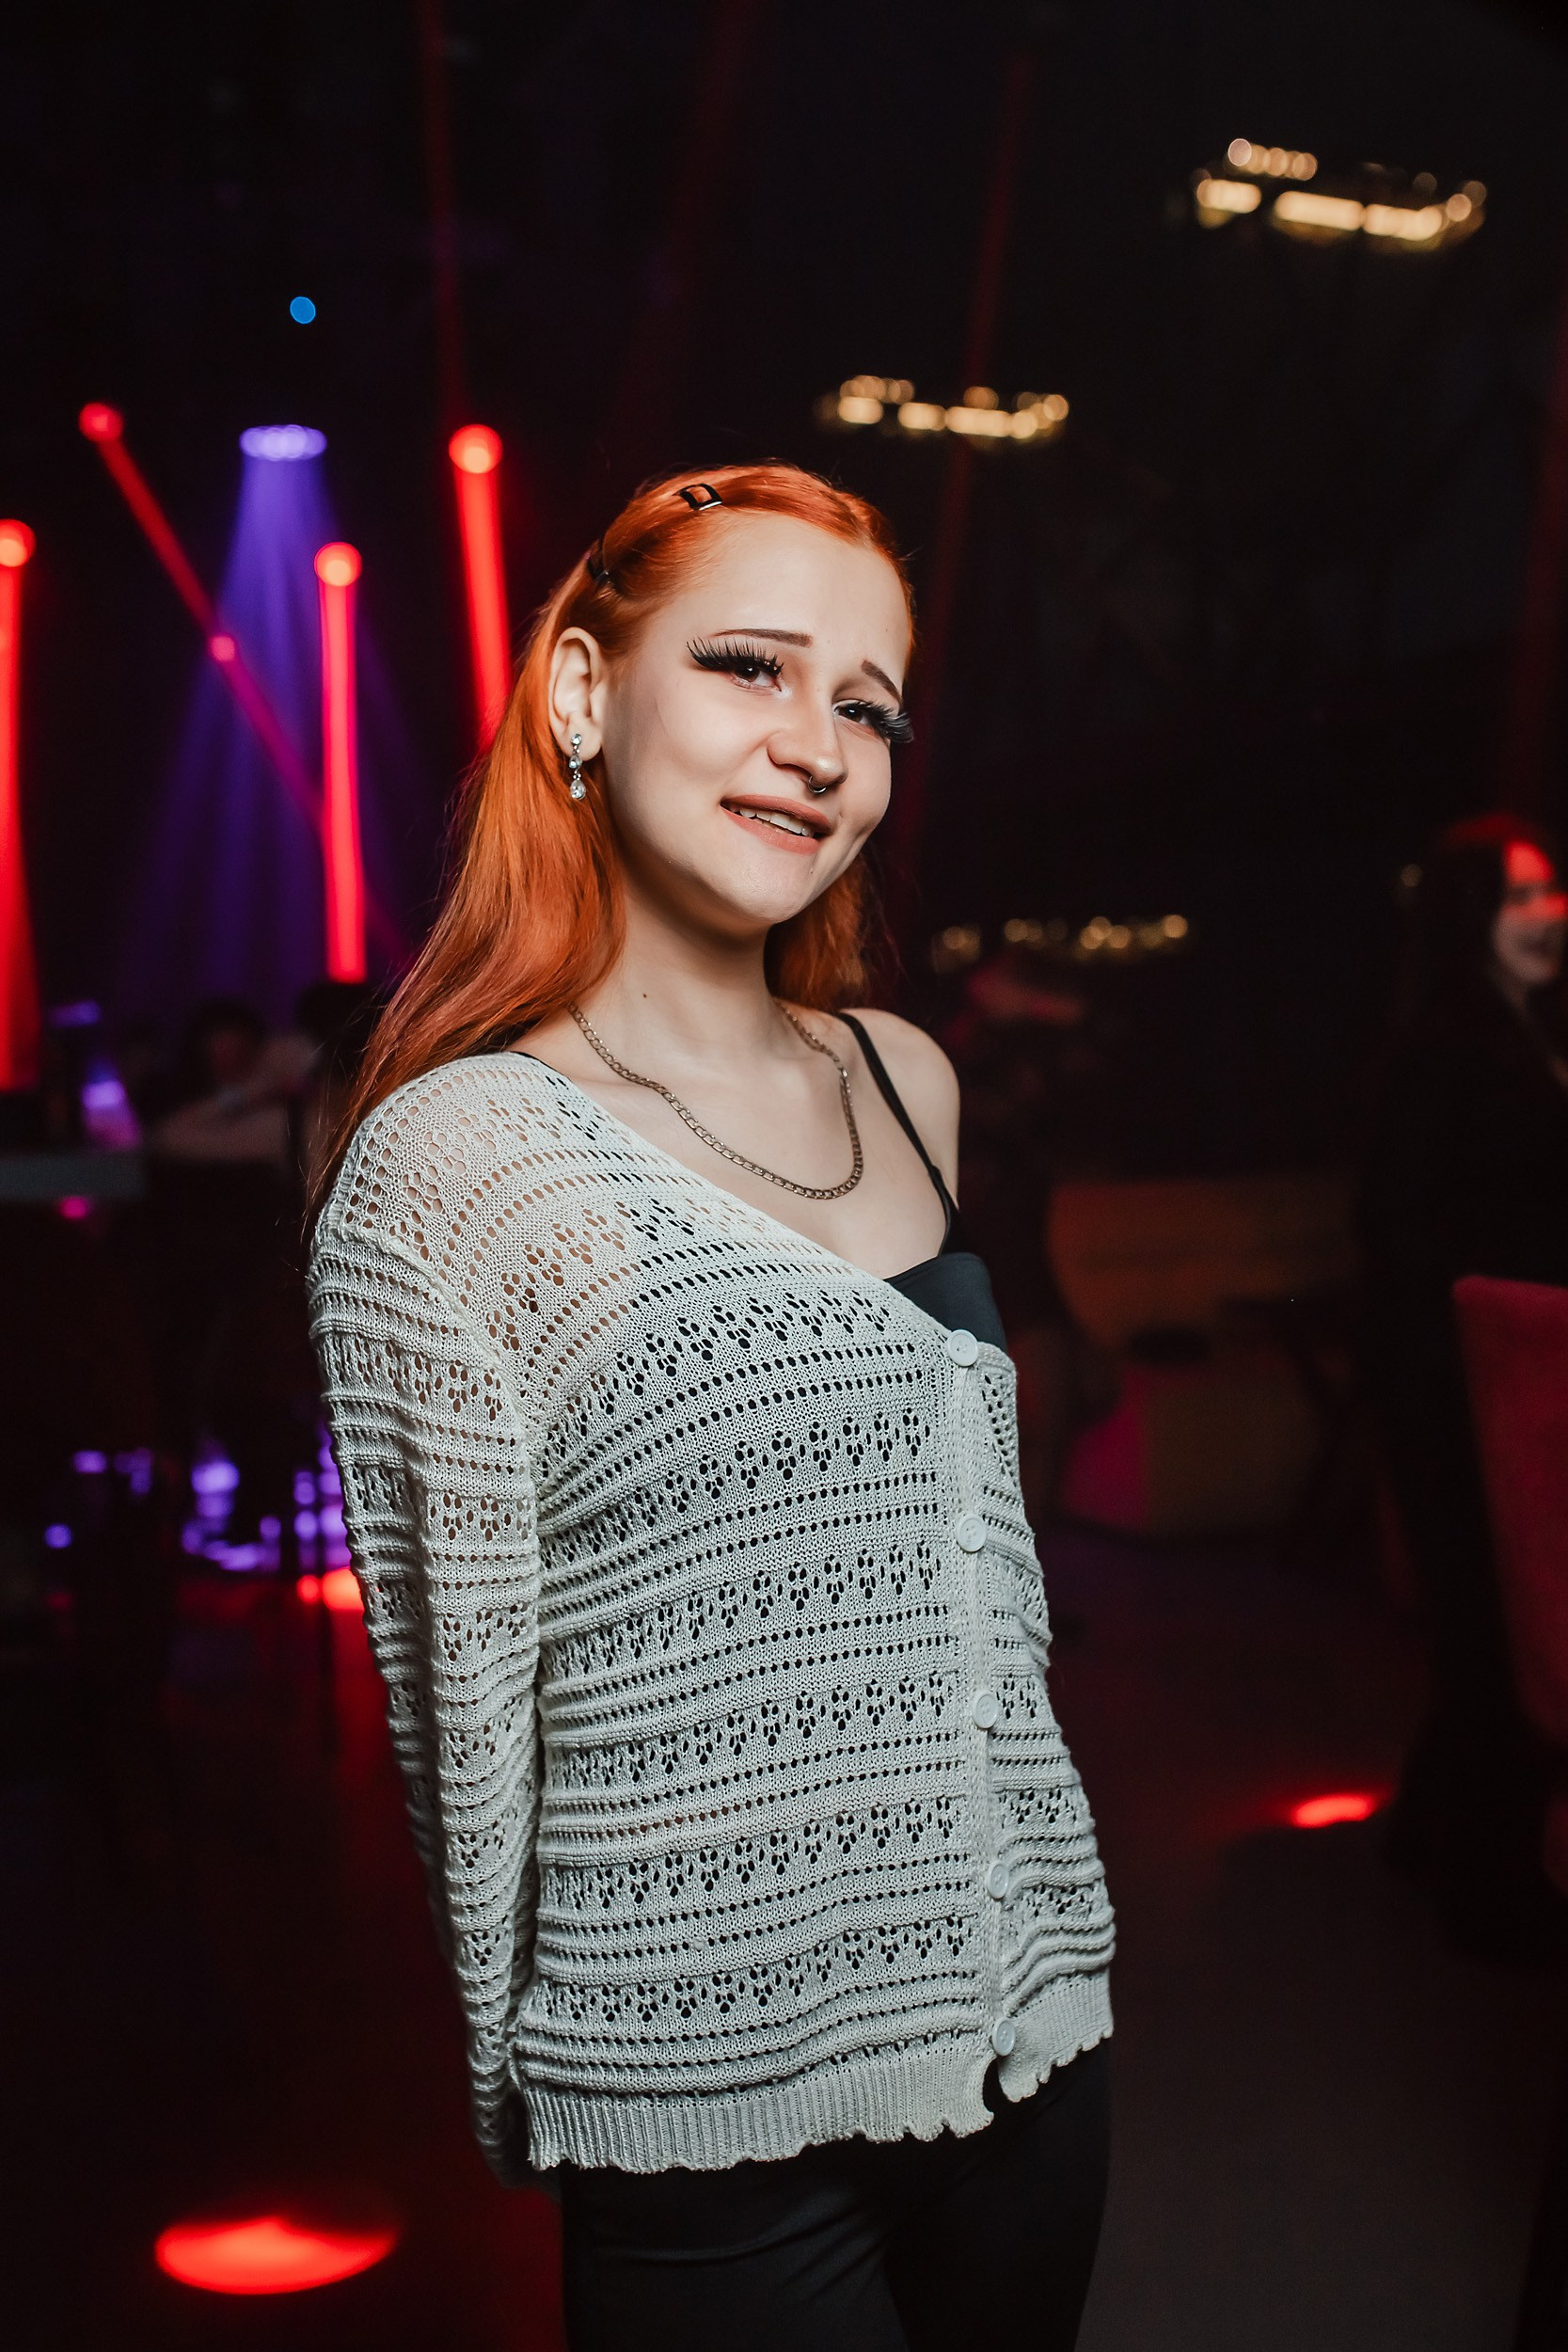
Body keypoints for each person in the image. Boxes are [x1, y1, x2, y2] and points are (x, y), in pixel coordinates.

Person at [309, 465, 1115, 2350]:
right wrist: (555, 2091)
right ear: (583, 692)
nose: (816, 746)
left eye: (866, 707)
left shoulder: (905, 1076)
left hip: (1034, 2030)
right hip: (706, 2098)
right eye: (750, 664)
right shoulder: (455, 1159)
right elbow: (459, 1694)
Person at [1359, 814, 1568, 1951]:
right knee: (1494, 1628)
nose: (1547, 915)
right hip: (1462, 1389)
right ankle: (1487, 1895)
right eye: (1518, 896)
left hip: (1518, 1387)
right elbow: (1397, 1230)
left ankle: (1431, 1832)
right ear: (1466, 914)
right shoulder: (1442, 1047)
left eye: (1549, 891)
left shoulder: (1526, 1030)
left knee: (1494, 1628)